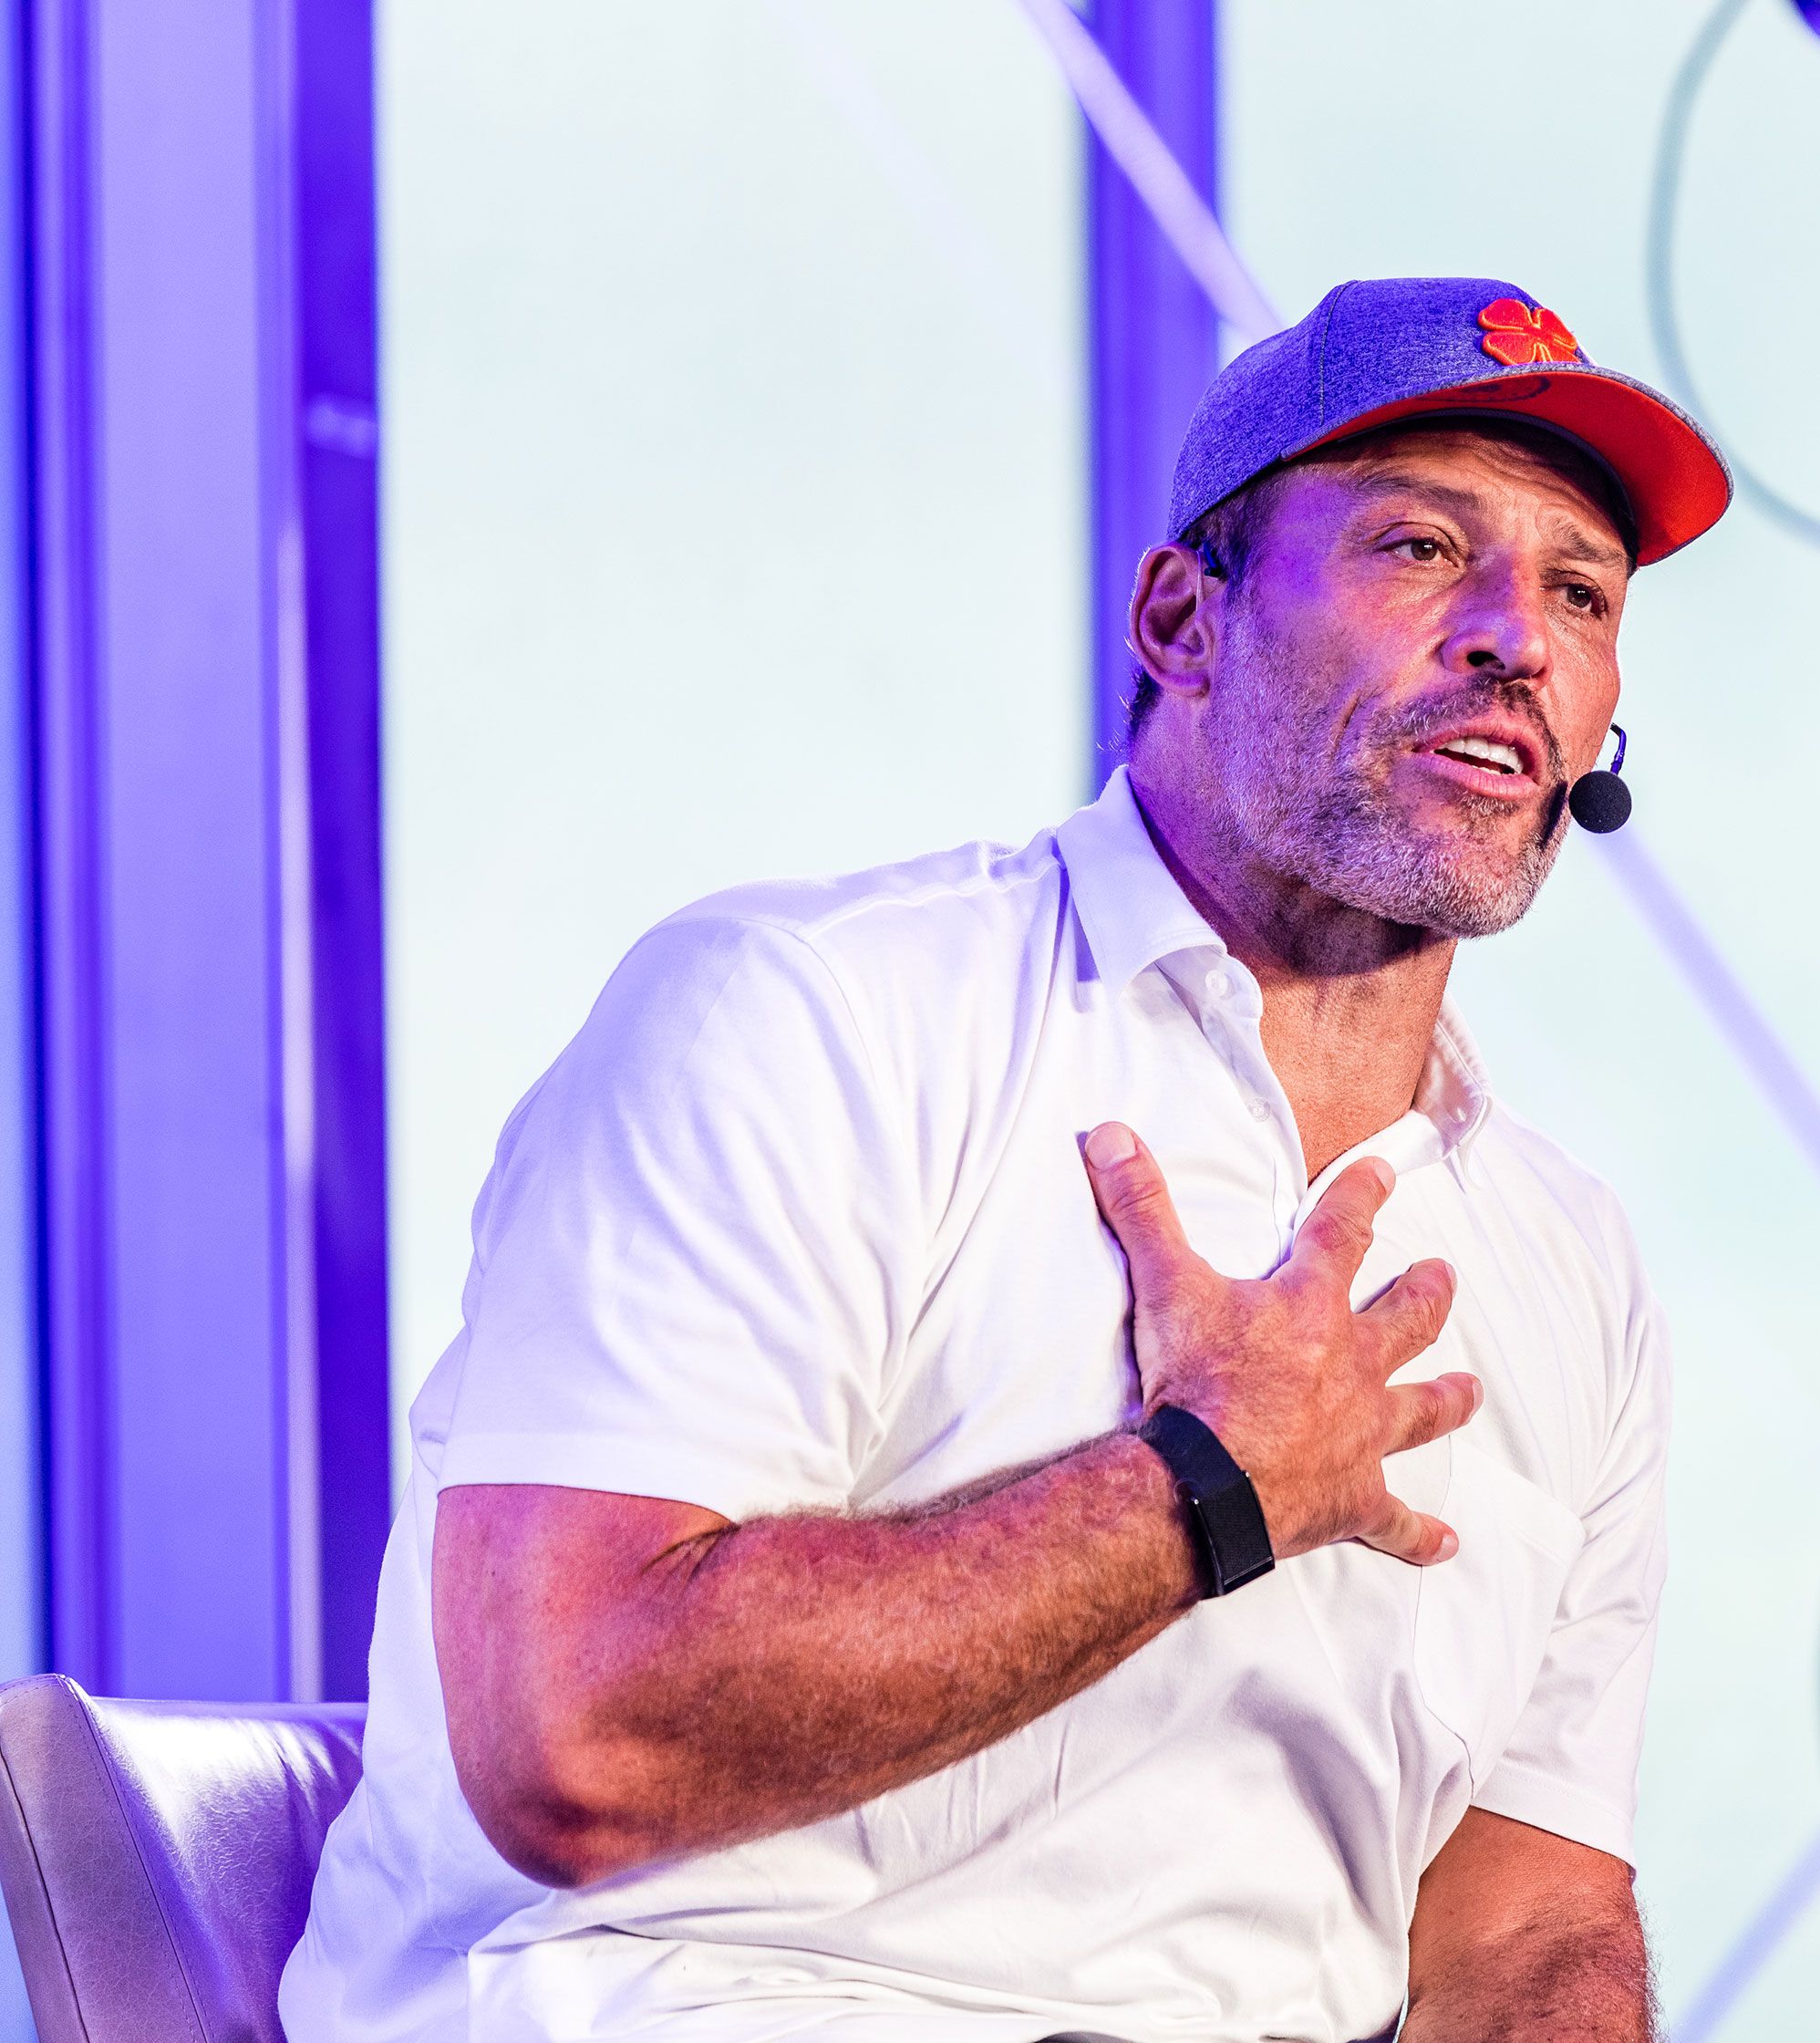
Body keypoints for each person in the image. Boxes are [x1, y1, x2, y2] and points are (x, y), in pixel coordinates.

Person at [280, 275, 1732, 2043]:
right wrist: (1204, 1483)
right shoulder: (813, 1019)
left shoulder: (1563, 1262)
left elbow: (1525, 1915)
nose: (1518, 632)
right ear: (1184, 620)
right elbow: (577, 1737)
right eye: (1422, 547)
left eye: (1582, 590)